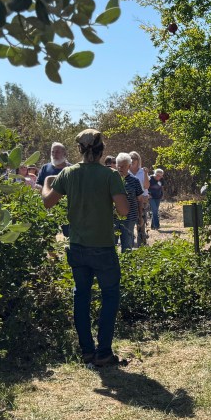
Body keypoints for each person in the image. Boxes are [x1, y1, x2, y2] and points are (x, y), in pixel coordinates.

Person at [41, 129, 130, 367]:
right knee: (110, 296)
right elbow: (124, 211)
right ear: (102, 150)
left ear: (79, 149)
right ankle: (104, 352)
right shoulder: (110, 175)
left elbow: (48, 202)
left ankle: (87, 352)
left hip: (78, 246)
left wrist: (47, 183)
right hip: (103, 247)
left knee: (81, 296)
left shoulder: (67, 174)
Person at [37, 142, 72, 237]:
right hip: (49, 207)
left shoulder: (71, 169)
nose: (54, 154)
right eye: (53, 152)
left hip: (67, 208)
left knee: (69, 234)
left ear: (64, 153)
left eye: (57, 152)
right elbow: (39, 184)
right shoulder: (45, 168)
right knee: (49, 235)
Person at [115, 152, 144, 252]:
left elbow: (140, 200)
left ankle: (127, 262)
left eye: (123, 166)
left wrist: (140, 217)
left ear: (129, 166)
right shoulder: (112, 180)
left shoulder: (134, 181)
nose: (120, 168)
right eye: (119, 166)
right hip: (113, 218)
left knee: (127, 246)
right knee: (111, 246)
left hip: (130, 218)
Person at [128, 151, 149, 246]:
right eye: (130, 158)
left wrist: (145, 173)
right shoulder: (126, 171)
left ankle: (141, 245)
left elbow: (146, 186)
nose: (132, 160)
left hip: (142, 200)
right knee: (129, 223)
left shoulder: (143, 171)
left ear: (138, 160)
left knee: (141, 223)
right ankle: (129, 244)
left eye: (134, 158)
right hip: (130, 201)